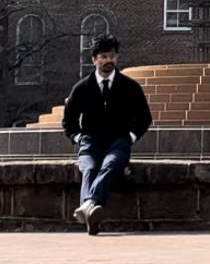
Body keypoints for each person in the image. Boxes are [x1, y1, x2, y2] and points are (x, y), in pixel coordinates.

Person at [61, 35, 152, 235]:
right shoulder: (82, 88)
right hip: (90, 143)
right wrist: (79, 138)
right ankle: (92, 211)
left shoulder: (130, 87)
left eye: (111, 56)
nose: (108, 60)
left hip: (118, 142)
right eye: (103, 56)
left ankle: (88, 205)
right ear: (94, 60)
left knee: (111, 164)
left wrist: (130, 137)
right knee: (89, 168)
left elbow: (144, 118)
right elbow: (68, 122)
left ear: (116, 58)